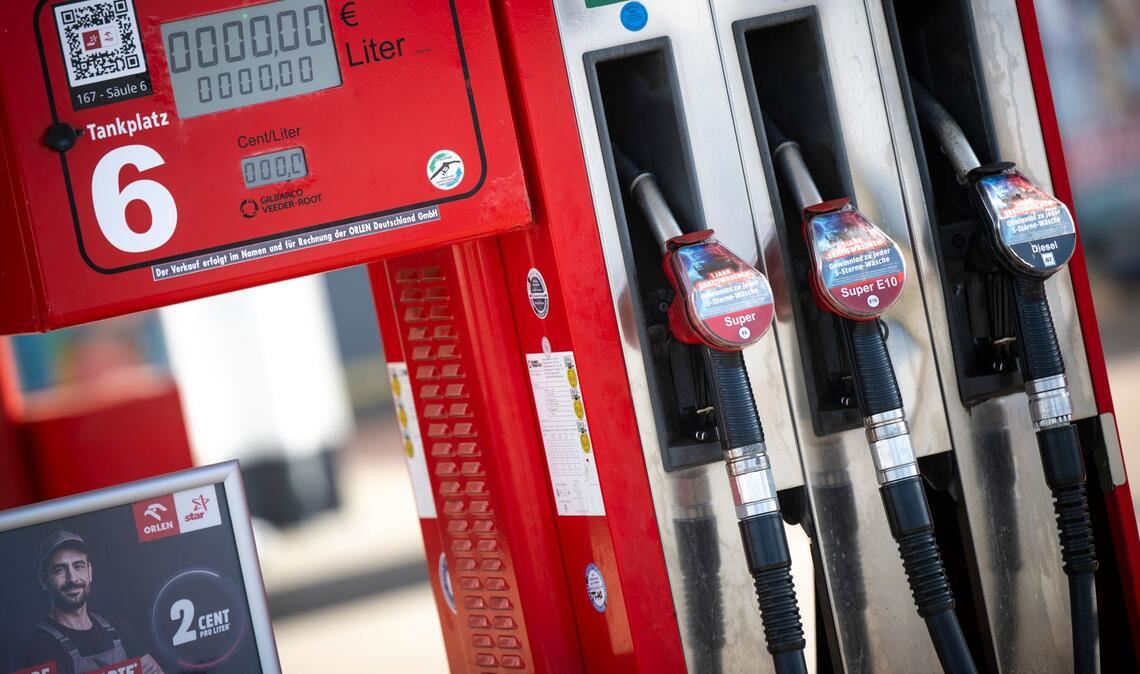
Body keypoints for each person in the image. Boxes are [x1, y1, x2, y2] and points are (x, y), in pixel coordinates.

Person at [14, 531, 164, 674]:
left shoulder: (117, 627)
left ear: (90, 572)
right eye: (59, 569)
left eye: (78, 566)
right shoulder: (39, 646)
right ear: (44, 580)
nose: (72, 578)